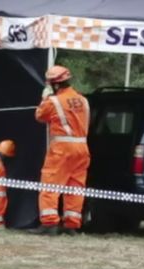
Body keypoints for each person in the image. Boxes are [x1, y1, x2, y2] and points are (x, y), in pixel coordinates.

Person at [29, 65, 90, 236]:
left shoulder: (53, 101)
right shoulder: (83, 100)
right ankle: (71, 225)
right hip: (82, 148)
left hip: (62, 149)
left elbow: (40, 116)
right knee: (75, 187)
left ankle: (49, 224)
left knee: (50, 184)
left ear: (54, 85)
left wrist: (45, 98)